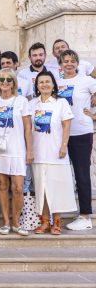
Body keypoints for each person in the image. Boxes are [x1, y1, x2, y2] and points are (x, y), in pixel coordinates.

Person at [0, 68, 33, 236]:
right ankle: (6, 222)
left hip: (18, 148)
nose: (5, 82)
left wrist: (29, 150)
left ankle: (16, 222)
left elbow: (28, 127)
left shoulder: (22, 101)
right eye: (1, 79)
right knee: (2, 185)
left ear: (14, 83)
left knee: (18, 187)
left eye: (8, 79)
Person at [29, 72, 76, 235]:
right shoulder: (32, 104)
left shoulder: (61, 103)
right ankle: (44, 222)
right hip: (38, 153)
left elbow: (66, 126)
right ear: (37, 86)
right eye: (41, 82)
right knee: (42, 189)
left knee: (57, 189)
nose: (44, 85)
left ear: (53, 84)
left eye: (47, 82)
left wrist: (64, 146)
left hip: (57, 153)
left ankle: (56, 222)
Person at [54, 49, 96, 230]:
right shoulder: (57, 81)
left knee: (82, 174)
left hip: (81, 133)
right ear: (60, 64)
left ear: (77, 63)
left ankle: (85, 215)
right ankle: (60, 211)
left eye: (72, 61)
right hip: (60, 134)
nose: (69, 64)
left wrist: (94, 115)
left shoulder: (87, 81)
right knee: (61, 174)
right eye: (65, 61)